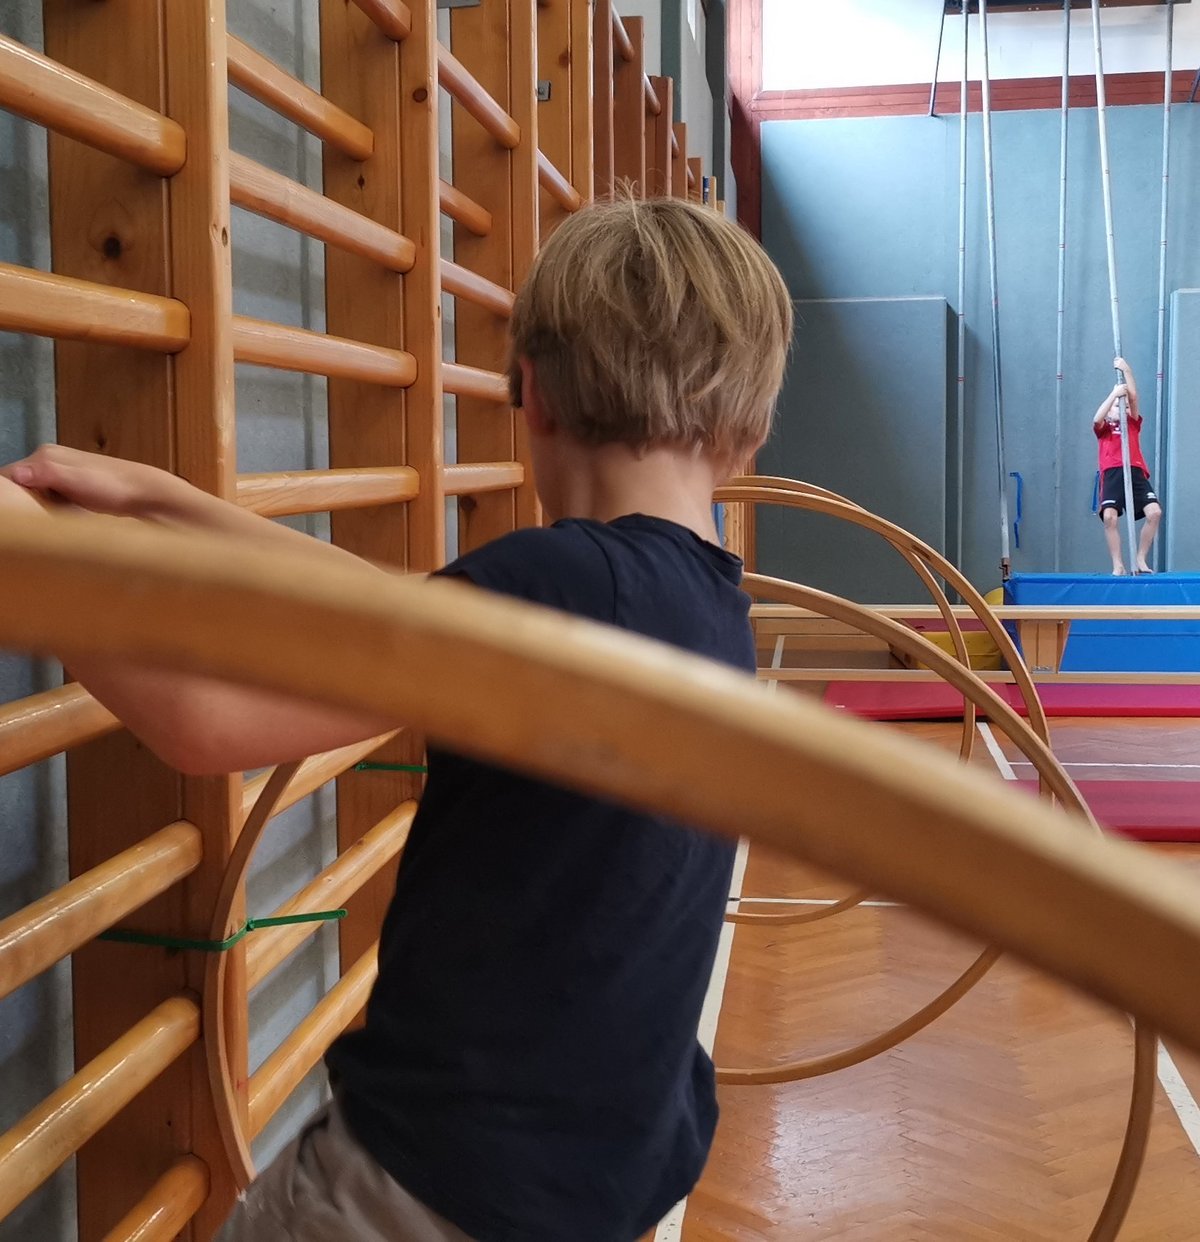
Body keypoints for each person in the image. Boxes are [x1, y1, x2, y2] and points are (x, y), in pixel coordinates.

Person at [0, 196, 793, 1242]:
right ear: (749, 424)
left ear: (534, 395)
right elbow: (410, 609)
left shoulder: (560, 586)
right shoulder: (702, 603)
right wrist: (172, 503)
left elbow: (204, 726)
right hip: (592, 1179)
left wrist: (28, 556)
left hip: (429, 1188)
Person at [1093, 355, 1162, 575]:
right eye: (1115, 405)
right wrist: (1114, 394)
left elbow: (1133, 399)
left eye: (1120, 405)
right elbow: (1096, 419)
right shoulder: (1104, 429)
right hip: (1113, 472)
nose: (1118, 407)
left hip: (1135, 470)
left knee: (1154, 513)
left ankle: (1140, 558)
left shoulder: (1132, 424)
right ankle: (1118, 564)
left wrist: (1127, 371)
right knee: (1110, 517)